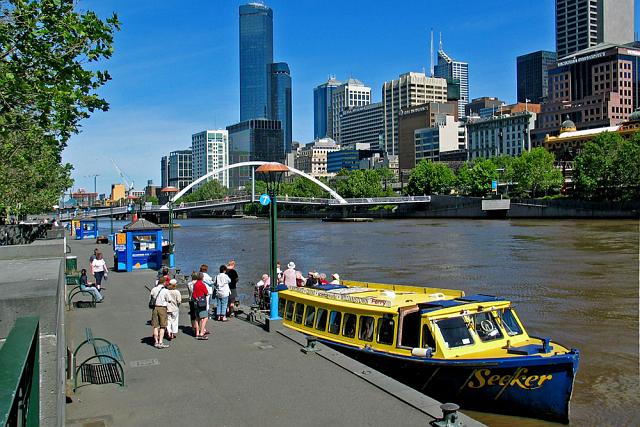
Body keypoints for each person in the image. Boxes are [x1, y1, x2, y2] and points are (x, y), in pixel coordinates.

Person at [150, 279, 170, 348]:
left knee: (155, 326)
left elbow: (151, 298)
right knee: (162, 326)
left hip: (155, 308)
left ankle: (156, 342)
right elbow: (169, 300)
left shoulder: (154, 289)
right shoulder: (165, 290)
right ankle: (160, 342)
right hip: (162, 308)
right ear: (164, 282)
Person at [191, 272, 210, 340]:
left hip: (196, 302)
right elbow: (206, 293)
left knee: (197, 318)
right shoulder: (202, 284)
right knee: (205, 317)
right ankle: (201, 333)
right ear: (202, 278)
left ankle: (197, 333)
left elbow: (194, 294)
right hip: (202, 302)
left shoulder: (195, 284)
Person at [187, 272, 200, 336]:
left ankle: (193, 327)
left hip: (191, 299)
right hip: (197, 300)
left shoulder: (189, 284)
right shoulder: (198, 283)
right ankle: (198, 327)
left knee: (192, 314)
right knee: (197, 314)